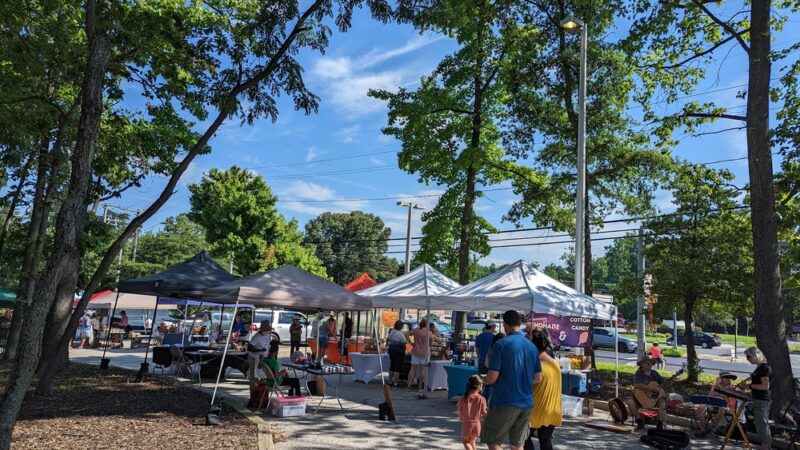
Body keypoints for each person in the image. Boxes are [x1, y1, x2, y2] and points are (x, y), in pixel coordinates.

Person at [482, 310, 542, 450]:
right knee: (517, 445)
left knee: (493, 441)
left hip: (505, 400)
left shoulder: (501, 344)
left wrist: (481, 379)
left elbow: (492, 377)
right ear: (519, 323)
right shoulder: (532, 346)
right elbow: (538, 377)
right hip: (526, 402)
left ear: (505, 325)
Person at [524, 329, 562, 450]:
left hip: (536, 410)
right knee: (545, 441)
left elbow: (526, 383)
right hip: (553, 409)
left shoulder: (536, 365)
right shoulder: (555, 363)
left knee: (522, 438)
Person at [628, 355, 666, 430]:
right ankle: (639, 421)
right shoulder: (639, 373)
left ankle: (660, 424)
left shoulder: (655, 373)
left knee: (662, 404)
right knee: (630, 402)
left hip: (653, 399)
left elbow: (663, 385)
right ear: (642, 364)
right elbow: (637, 385)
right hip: (640, 399)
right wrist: (652, 389)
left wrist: (665, 391)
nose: (649, 364)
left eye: (650, 363)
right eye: (646, 363)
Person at [696, 370, 739, 435]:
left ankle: (715, 427)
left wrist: (724, 396)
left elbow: (729, 402)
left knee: (722, 408)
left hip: (728, 407)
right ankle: (703, 429)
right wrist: (717, 386)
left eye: (729, 378)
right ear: (721, 379)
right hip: (715, 405)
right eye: (726, 378)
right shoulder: (716, 386)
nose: (728, 379)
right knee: (701, 407)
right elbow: (710, 396)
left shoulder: (732, 388)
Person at [745, 346, 771, 450]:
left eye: (748, 356)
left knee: (762, 424)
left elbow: (765, 386)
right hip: (759, 399)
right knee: (761, 423)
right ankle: (766, 445)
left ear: (756, 356)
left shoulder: (764, 368)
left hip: (762, 400)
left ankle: (765, 446)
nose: (747, 359)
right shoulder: (760, 367)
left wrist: (750, 386)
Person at [457, 375, 488, 450]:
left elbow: (459, 409)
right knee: (472, 442)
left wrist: (461, 416)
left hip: (467, 423)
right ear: (479, 386)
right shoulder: (482, 399)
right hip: (477, 424)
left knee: (466, 442)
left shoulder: (463, 398)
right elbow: (484, 412)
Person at [247, 320, 272, 399]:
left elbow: (267, 345)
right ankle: (253, 397)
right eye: (267, 330)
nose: (268, 331)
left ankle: (261, 396)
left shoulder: (267, 335)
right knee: (253, 378)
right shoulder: (257, 336)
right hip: (254, 358)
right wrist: (259, 350)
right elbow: (249, 347)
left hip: (263, 358)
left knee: (263, 376)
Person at [406, 318, 431, 393]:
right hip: (425, 353)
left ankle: (409, 385)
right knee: (422, 370)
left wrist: (411, 343)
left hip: (415, 351)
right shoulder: (428, 332)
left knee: (412, 369)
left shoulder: (415, 330)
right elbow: (431, 342)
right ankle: (420, 386)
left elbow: (407, 334)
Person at [386, 320, 408, 387]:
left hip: (391, 350)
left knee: (392, 366)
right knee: (397, 368)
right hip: (399, 352)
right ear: (400, 326)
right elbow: (404, 342)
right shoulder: (400, 334)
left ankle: (390, 381)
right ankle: (395, 383)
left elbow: (388, 339)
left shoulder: (392, 331)